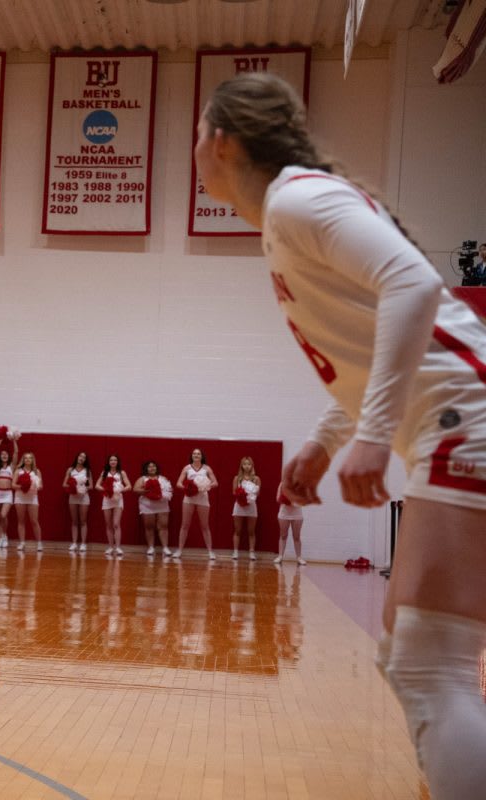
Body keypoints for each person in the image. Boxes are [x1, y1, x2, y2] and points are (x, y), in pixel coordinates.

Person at [196, 70, 486, 799]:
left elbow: (417, 287)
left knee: (429, 664)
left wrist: (374, 434)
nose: (193, 150)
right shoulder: (288, 213)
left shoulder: (296, 199)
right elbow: (367, 338)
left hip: (463, 417)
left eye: (197, 134)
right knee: (419, 658)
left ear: (223, 143)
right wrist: (328, 439)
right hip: (450, 423)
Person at [174, 448, 217, 559]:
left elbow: (215, 482)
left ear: (202, 456)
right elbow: (178, 483)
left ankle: (210, 551)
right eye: (194, 453)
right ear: (192, 455)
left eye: (198, 453)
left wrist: (206, 486)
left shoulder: (207, 468)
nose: (196, 455)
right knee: (185, 525)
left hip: (202, 498)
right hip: (189, 499)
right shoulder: (187, 468)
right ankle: (179, 550)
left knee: (205, 526)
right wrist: (188, 488)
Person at [134, 460, 172, 558]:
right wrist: (147, 491)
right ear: (146, 469)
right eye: (149, 466)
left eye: (153, 466)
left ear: (156, 468)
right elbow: (135, 489)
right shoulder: (143, 478)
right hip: (147, 505)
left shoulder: (163, 478)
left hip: (162, 504)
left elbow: (169, 490)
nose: (152, 468)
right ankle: (151, 547)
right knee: (149, 526)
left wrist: (161, 493)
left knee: (163, 526)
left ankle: (165, 548)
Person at [95, 454, 130, 557]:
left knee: (116, 524)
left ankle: (118, 547)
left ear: (117, 462)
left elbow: (129, 486)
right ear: (109, 462)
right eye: (111, 460)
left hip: (118, 500)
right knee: (109, 524)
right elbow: (97, 485)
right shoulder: (104, 472)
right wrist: (106, 490)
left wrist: (119, 490)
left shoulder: (121, 473)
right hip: (107, 499)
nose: (113, 461)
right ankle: (110, 546)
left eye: (115, 460)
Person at [231, 456, 261, 560]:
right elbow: (234, 492)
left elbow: (257, 493)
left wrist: (250, 496)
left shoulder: (256, 479)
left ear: (252, 465)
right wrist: (242, 496)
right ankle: (235, 552)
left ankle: (251, 552)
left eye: (249, 464)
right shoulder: (237, 478)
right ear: (242, 466)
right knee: (237, 530)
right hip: (239, 505)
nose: (247, 466)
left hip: (251, 506)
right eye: (245, 464)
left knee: (251, 531)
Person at [0, 436, 18, 550]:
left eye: (6, 454)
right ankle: (0, 538)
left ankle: (5, 535)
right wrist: (2, 438)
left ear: (8, 456)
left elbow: (16, 452)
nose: (4, 455)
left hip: (7, 494)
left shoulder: (12, 467)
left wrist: (13, 440)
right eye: (2, 454)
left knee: (3, 515)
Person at [12, 452, 42, 552]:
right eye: (26, 458)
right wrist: (23, 486)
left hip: (32, 498)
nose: (28, 460)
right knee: (21, 520)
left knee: (34, 521)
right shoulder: (18, 471)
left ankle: (39, 543)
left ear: (33, 460)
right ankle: (22, 543)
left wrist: (34, 486)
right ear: (23, 460)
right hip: (20, 497)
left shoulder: (37, 472)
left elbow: (41, 486)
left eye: (30, 458)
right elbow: (13, 485)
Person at [63, 452, 91, 553]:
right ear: (77, 457)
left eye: (84, 457)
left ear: (85, 460)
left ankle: (83, 544)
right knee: (74, 521)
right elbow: (64, 484)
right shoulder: (71, 470)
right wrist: (73, 487)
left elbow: (90, 486)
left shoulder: (87, 471)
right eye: (80, 456)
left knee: (83, 521)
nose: (82, 458)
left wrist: (82, 488)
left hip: (83, 497)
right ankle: (74, 543)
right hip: (73, 496)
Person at [274, 482, 305, 565]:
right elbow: (277, 498)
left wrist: (294, 500)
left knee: (296, 536)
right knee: (283, 535)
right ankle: (280, 556)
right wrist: (285, 499)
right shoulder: (282, 484)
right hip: (284, 513)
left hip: (297, 514)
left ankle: (299, 557)